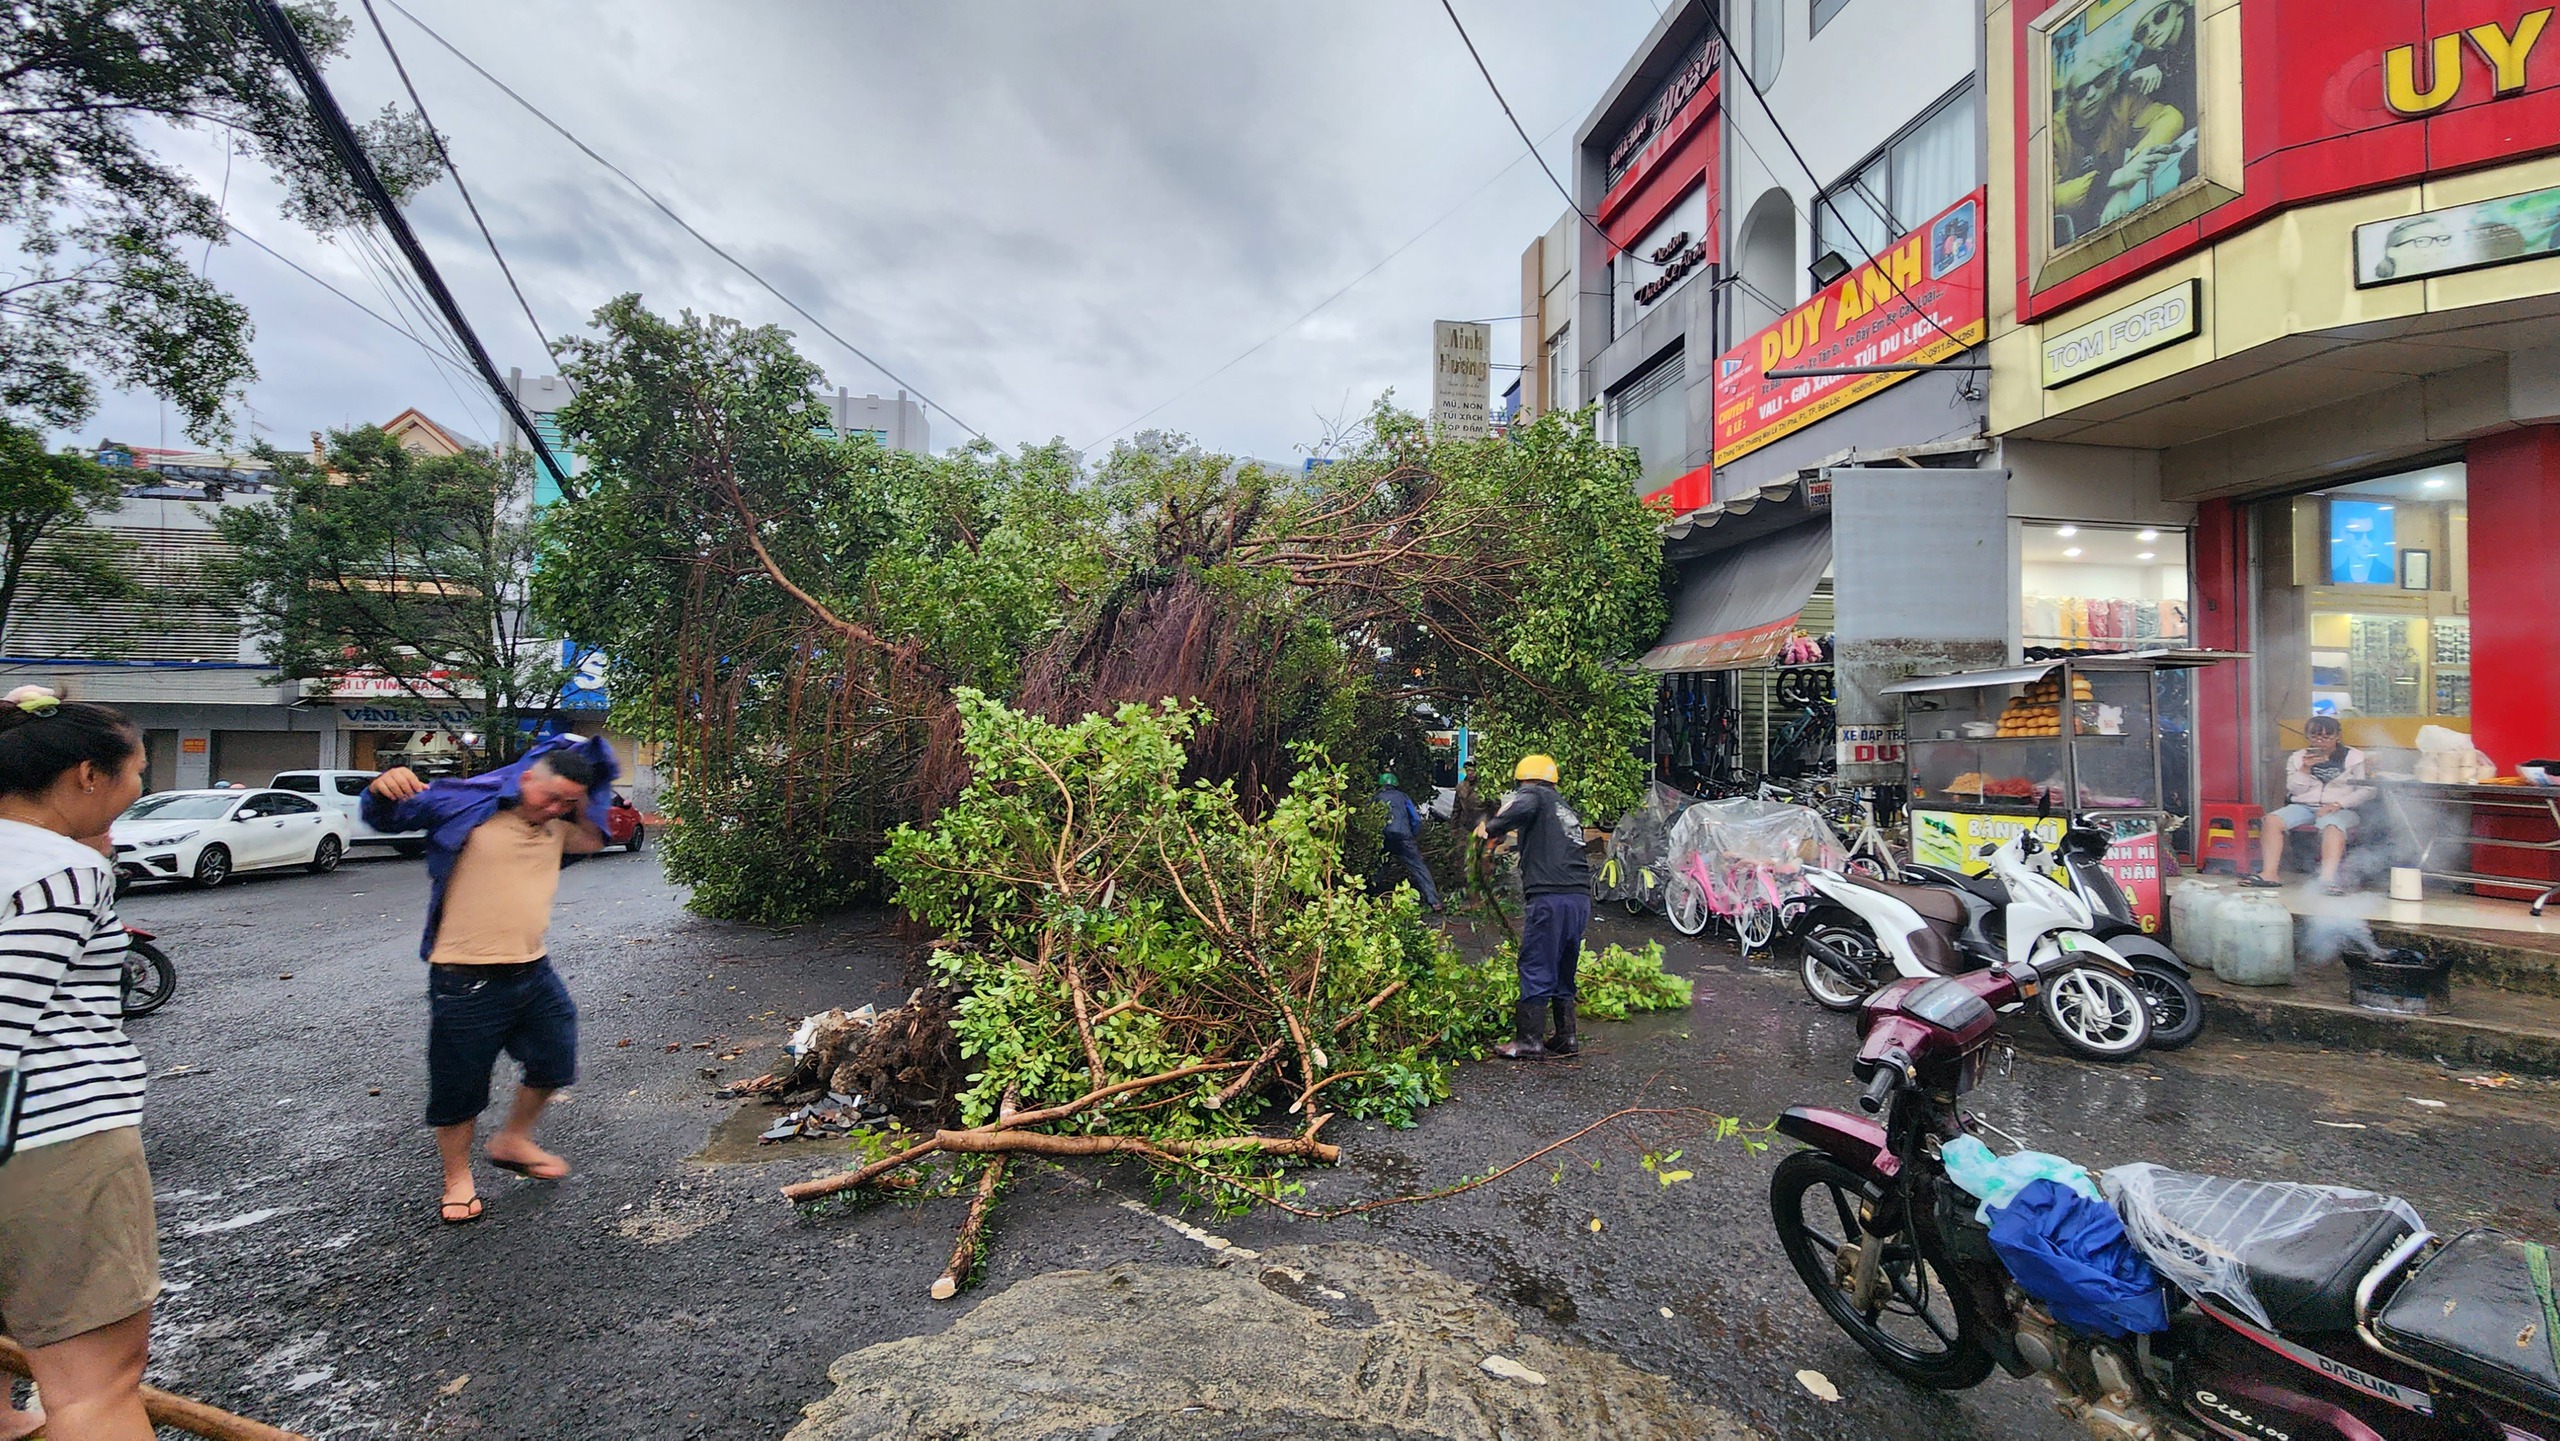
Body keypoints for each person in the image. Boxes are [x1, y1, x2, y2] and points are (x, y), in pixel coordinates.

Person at [362, 733, 616, 1225]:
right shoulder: (470, 811)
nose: (555, 807)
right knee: (460, 1085)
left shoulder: (557, 830)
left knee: (555, 1061)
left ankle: (513, 1139)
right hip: (464, 977)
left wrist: (584, 796)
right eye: (550, 796)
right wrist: (379, 787)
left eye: (566, 801)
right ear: (525, 779)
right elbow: (387, 815)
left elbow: (593, 837)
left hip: (533, 970)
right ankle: (456, 1179)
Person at [0, 688, 155, 1441]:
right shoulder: (58, 870)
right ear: (88, 775)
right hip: (48, 1144)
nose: (139, 792)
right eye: (135, 774)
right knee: (96, 1387)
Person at [1475, 754, 1591, 1060]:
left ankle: (1529, 1040)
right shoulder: (1563, 807)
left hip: (1549, 896)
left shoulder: (1533, 795)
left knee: (1537, 961)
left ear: (1524, 780)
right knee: (1564, 963)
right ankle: (1567, 1037)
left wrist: (1492, 826)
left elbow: (1517, 810)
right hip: (1578, 897)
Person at [2244, 716, 2372, 896]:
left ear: (2338, 736)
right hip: (2303, 806)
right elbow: (2294, 790)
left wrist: (2337, 804)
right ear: (2307, 737)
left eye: (2326, 737)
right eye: (2315, 736)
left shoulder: (2354, 757)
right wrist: (2305, 769)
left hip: (2342, 808)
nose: (2320, 741)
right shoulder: (2297, 758)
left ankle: (2327, 880)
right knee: (2272, 820)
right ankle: (2269, 874)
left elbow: (2367, 790)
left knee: (2333, 826)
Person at [1375, 771, 1442, 913]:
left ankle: (1368, 896)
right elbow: (1416, 819)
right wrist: (1412, 835)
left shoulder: (1376, 798)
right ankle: (1434, 902)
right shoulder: (1404, 797)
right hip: (1404, 837)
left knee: (1379, 867)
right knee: (1419, 867)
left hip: (1384, 837)